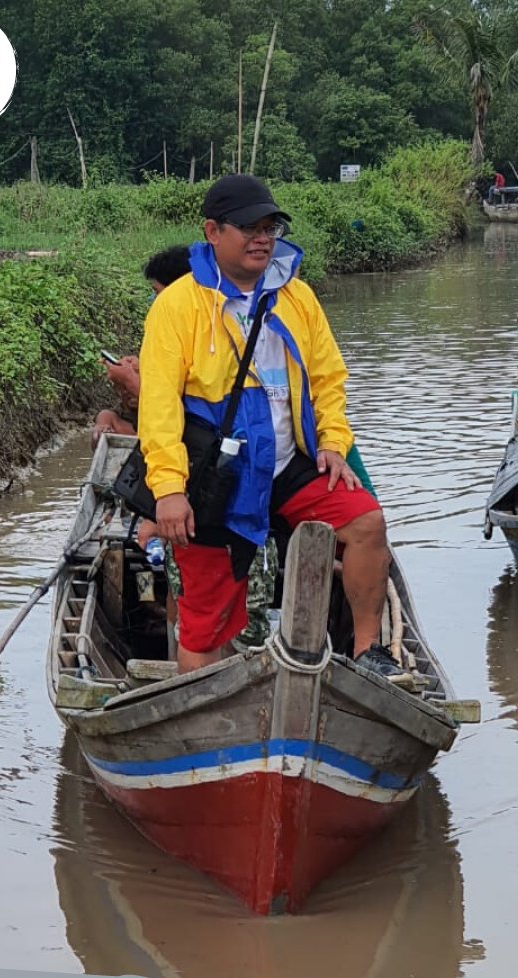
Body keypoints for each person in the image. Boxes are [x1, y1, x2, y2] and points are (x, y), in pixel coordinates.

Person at [137, 174, 408, 683]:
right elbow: (158, 406)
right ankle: (203, 709)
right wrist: (169, 490)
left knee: (367, 523)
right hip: (220, 477)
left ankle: (371, 650)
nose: (263, 238)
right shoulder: (177, 306)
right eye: (249, 228)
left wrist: (331, 443)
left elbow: (328, 378)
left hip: (286, 463)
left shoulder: (296, 296)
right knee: (204, 621)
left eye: (270, 227)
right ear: (213, 232)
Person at [91, 246, 192, 449]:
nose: (154, 300)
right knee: (106, 418)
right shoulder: (175, 325)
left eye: (156, 292)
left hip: (186, 439)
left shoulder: (196, 329)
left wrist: (130, 381)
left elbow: (173, 409)